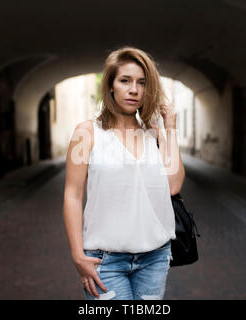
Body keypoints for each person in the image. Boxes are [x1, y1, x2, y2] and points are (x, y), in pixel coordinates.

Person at [63, 47, 185, 300]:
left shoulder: (154, 134)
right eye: (125, 81)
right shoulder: (87, 132)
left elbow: (173, 186)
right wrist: (77, 254)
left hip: (155, 256)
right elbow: (72, 195)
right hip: (104, 261)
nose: (134, 90)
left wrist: (169, 129)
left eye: (142, 83)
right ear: (110, 85)